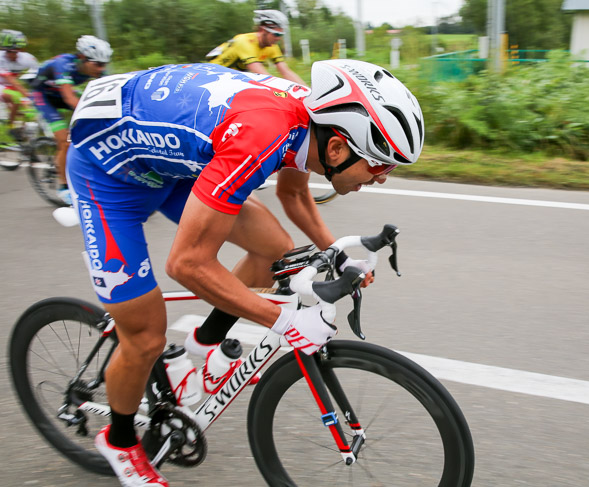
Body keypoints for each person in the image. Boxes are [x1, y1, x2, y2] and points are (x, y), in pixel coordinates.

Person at [66, 59, 423, 486]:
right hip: (108, 177)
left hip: (170, 167)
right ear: (337, 150)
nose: (383, 179)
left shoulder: (312, 122)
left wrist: (337, 254)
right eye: (380, 166)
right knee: (145, 336)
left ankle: (205, 348)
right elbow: (186, 264)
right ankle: (120, 441)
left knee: (275, 250)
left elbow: (294, 197)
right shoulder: (262, 137)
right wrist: (285, 320)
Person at [30, 35, 111, 204]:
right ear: (82, 58)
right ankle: (63, 186)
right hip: (44, 96)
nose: (101, 68)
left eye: (104, 64)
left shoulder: (96, 68)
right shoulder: (62, 64)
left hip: (59, 93)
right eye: (97, 64)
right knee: (64, 140)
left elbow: (109, 94)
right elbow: (69, 98)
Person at [206, 9, 306, 86]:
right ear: (263, 30)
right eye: (276, 34)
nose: (278, 38)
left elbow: (286, 72)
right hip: (211, 77)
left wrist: (309, 92)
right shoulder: (244, 41)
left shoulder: (272, 46)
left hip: (231, 79)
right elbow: (265, 78)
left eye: (281, 35)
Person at [0, 29, 38, 141]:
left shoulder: (28, 58)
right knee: (16, 97)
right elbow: (11, 80)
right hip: (3, 85)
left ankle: (23, 137)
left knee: (31, 111)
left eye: (17, 51)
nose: (15, 55)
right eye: (11, 52)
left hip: (9, 87)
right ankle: (10, 128)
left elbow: (39, 76)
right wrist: (26, 94)